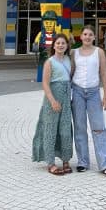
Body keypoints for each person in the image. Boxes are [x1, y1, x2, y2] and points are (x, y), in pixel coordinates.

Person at [71, 25, 106, 177]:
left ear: (94, 37)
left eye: (90, 34)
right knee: (80, 128)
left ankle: (105, 164)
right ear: (81, 36)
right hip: (77, 92)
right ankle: (83, 162)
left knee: (99, 128)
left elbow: (104, 74)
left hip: (93, 93)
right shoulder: (74, 53)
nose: (87, 37)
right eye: (85, 34)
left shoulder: (99, 52)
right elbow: (70, 73)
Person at [32, 33, 73, 175]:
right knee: (50, 129)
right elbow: (45, 83)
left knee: (66, 129)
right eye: (58, 43)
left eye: (63, 43)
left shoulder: (68, 59)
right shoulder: (49, 62)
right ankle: (50, 162)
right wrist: (52, 101)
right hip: (53, 99)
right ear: (54, 46)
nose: (60, 45)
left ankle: (66, 159)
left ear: (67, 46)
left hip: (66, 99)